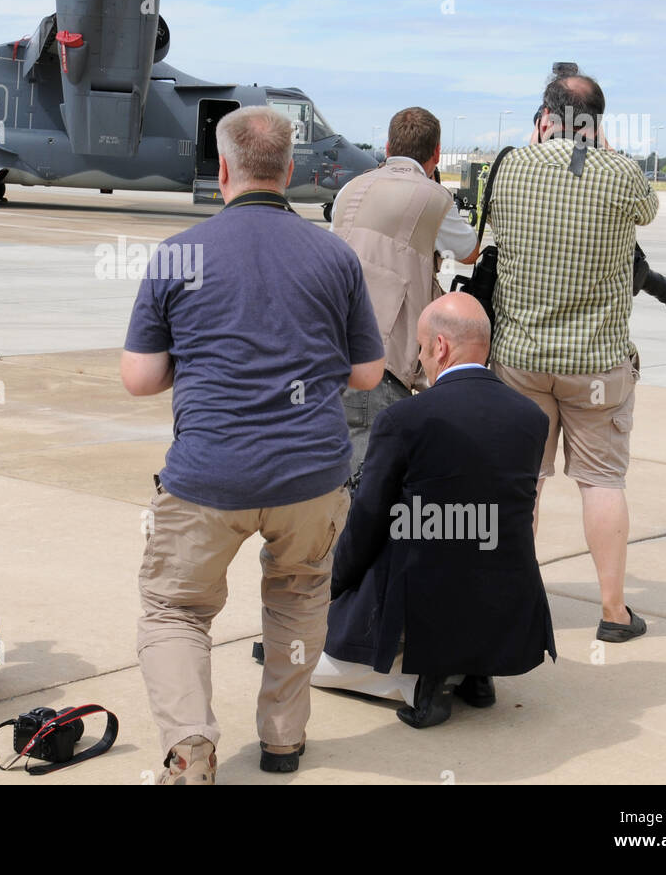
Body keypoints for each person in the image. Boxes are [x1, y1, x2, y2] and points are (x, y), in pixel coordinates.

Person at [122, 105, 385, 783]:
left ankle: (191, 746)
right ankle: (283, 742)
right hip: (311, 475)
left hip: (209, 473)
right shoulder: (335, 255)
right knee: (298, 599)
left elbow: (140, 378)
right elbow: (367, 373)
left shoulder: (179, 252)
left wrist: (201, 358)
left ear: (222, 170)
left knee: (175, 611)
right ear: (289, 171)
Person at [313, 292, 556, 727]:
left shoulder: (406, 418)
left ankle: (424, 681)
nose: (422, 360)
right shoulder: (531, 417)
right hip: (505, 601)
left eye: (422, 349)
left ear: (440, 347)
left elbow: (367, 522)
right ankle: (474, 673)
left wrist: (329, 591)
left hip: (427, 602)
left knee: (306, 660)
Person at [488, 70, 658, 642]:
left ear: (545, 117)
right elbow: (647, 210)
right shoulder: (621, 174)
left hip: (521, 357)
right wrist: (602, 152)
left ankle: (509, 603)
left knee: (523, 482)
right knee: (602, 483)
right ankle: (613, 612)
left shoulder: (510, 166)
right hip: (596, 363)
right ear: (596, 122)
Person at [331, 107, 479, 471]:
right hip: (382, 358)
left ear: (386, 146)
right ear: (436, 154)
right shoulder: (433, 198)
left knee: (335, 470)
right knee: (368, 476)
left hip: (329, 347)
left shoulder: (352, 189)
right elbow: (470, 252)